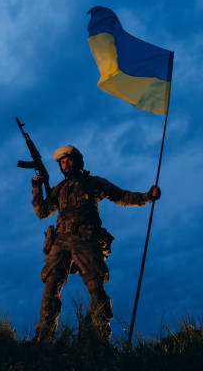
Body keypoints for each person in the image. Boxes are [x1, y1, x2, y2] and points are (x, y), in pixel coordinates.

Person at [30, 145, 160, 342]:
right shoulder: (59, 189)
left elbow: (122, 196)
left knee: (95, 288)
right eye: (62, 162)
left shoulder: (93, 183)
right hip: (61, 241)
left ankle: (101, 340)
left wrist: (147, 197)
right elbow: (42, 212)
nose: (65, 164)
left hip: (86, 239)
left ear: (78, 161)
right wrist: (37, 187)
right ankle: (43, 339)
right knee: (50, 287)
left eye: (69, 160)